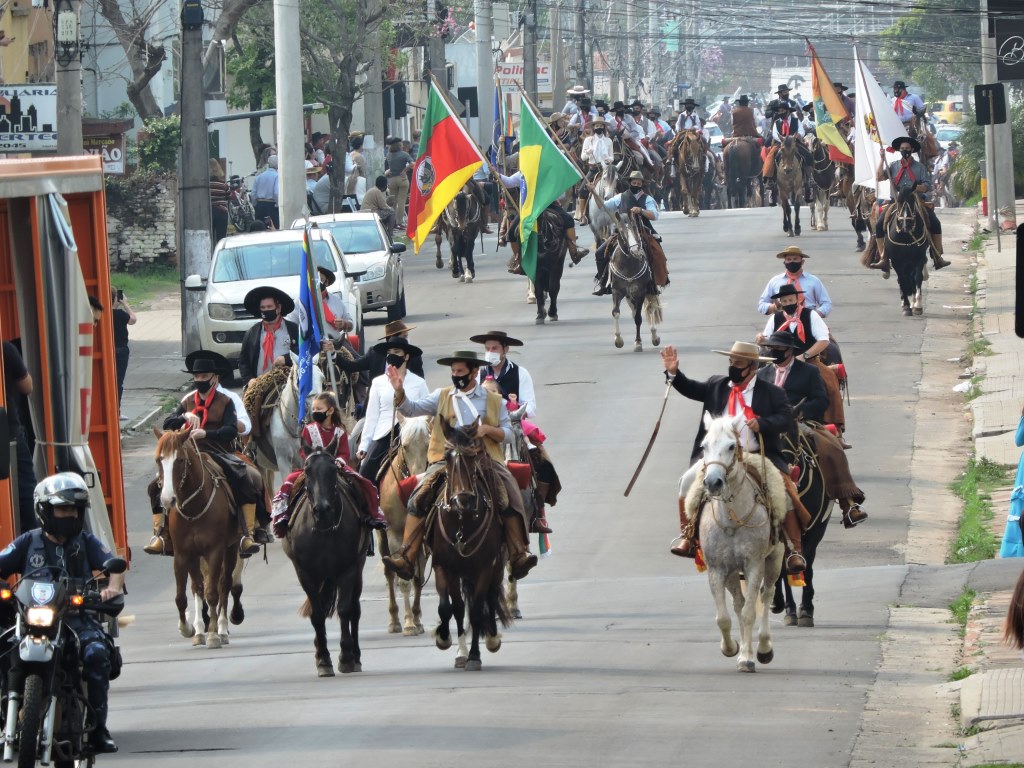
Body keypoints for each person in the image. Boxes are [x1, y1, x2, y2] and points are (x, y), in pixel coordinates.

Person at [380, 350, 539, 581]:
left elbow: (508, 434)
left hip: (484, 460)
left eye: (460, 371)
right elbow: (411, 409)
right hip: (447, 461)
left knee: (509, 494)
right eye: (453, 371)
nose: (456, 375)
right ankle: (407, 555)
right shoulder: (442, 396)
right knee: (417, 496)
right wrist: (399, 391)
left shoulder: (493, 400)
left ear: (474, 371)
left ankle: (518, 553)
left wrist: (487, 430)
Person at [0, 473, 125, 754]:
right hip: (32, 620)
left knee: (96, 653)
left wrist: (112, 588)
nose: (69, 515)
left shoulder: (86, 541)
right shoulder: (26, 542)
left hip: (76, 619)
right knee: (3, 647)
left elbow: (114, 565)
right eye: (63, 508)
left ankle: (98, 729)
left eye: (74, 510)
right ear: (45, 510)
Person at [660, 341, 808, 574]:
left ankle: (793, 550)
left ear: (752, 366)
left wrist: (763, 423)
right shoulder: (716, 385)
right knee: (686, 482)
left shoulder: (772, 392)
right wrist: (673, 373)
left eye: (738, 363)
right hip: (719, 457)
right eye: (731, 362)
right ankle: (688, 536)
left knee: (785, 491)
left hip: (757, 455)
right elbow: (690, 388)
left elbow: (786, 419)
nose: (733, 366)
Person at [145, 350, 255, 556]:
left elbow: (231, 429)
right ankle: (160, 534)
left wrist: (206, 433)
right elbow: (168, 423)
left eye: (204, 377)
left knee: (244, 476)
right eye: (196, 377)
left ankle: (246, 532)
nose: (200, 380)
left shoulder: (226, 400)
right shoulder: (187, 400)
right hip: (188, 454)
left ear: (215, 378)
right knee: (155, 486)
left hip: (219, 451)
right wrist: (184, 415)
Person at [757, 331, 867, 528]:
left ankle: (848, 503)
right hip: (767, 423)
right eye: (771, 348)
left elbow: (821, 400)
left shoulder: (808, 372)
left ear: (790, 350)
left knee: (831, 446)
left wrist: (799, 411)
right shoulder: (761, 374)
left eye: (779, 348)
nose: (775, 351)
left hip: (801, 421)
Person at [470, 330, 556, 533]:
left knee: (544, 464)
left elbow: (531, 408)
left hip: (513, 426)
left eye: (495, 348)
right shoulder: (477, 373)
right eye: (487, 348)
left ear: (505, 349)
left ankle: (537, 513)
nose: (490, 352)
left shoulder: (521, 373)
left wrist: (506, 403)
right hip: (482, 428)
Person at [271, 392, 386, 537]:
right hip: (314, 467)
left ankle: (369, 515)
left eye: (319, 409)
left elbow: (344, 452)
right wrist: (312, 459)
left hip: (335, 466)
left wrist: (339, 461)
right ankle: (284, 517)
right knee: (288, 483)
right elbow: (303, 450)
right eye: (313, 410)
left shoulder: (340, 432)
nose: (315, 412)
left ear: (330, 410)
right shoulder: (309, 429)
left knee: (362, 483)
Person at [756, 283, 848, 440]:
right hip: (780, 360)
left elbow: (824, 340)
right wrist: (760, 339)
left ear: (797, 299)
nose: (787, 304)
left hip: (808, 359)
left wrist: (804, 356)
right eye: (783, 302)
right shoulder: (775, 318)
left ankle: (835, 428)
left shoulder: (810, 315)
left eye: (790, 300)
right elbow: (767, 339)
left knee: (829, 382)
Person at [357, 338, 430, 486]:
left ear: (406, 356)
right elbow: (371, 417)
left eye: (396, 352)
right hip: (385, 434)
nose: (392, 355)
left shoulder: (419, 383)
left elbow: (427, 413)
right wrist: (364, 445)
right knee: (364, 474)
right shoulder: (378, 383)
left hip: (413, 434)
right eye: (389, 353)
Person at [875, 136, 951, 272]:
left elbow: (927, 186)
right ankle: (883, 258)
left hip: (916, 200)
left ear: (912, 150)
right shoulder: (893, 166)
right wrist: (881, 158)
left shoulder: (920, 167)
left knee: (935, 222)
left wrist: (916, 188)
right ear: (899, 150)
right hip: (897, 201)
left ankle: (937, 256)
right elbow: (879, 177)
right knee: (879, 224)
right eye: (902, 149)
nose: (905, 151)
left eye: (907, 149)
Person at [493, 165, 589, 264]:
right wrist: (496, 174)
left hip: (550, 205)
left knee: (568, 220)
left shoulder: (549, 172)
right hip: (530, 209)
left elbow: (562, 195)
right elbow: (509, 182)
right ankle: (519, 260)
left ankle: (574, 253)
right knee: (512, 232)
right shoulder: (523, 173)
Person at [592, 171, 667, 296]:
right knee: (600, 253)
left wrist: (641, 210)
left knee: (656, 254)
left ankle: (653, 284)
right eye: (634, 182)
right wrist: (593, 192)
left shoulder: (648, 199)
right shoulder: (621, 197)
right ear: (630, 183)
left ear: (642, 184)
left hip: (642, 231)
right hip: (623, 231)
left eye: (638, 183)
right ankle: (603, 283)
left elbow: (654, 216)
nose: (636, 185)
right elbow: (602, 206)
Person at [2, 340, 35, 534]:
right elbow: (27, 386)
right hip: (10, 431)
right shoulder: (5, 348)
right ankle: (33, 540)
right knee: (25, 489)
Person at [238, 286, 299, 388]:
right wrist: (249, 379)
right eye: (263, 308)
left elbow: (304, 351)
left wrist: (286, 358)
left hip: (288, 383)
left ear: (278, 308)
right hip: (260, 384)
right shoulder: (252, 333)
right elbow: (243, 361)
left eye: (269, 307)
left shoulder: (293, 329)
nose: (266, 310)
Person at [757, 245, 833, 317]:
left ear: (802, 262)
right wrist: (775, 307)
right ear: (784, 263)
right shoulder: (775, 281)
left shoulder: (813, 281)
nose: (792, 262)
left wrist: (814, 316)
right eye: (789, 259)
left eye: (795, 259)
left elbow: (827, 304)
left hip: (808, 321)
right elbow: (761, 305)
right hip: (782, 322)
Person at [109, 288, 136, 411]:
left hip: (108, 351)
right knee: (118, 382)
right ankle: (116, 411)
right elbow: (133, 320)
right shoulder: (119, 314)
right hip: (120, 351)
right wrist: (125, 303)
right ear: (115, 299)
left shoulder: (103, 313)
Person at [384, 138, 413, 229]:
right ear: (399, 145)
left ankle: (392, 221)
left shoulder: (388, 155)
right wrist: (405, 170)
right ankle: (399, 222)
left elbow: (389, 167)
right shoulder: (404, 154)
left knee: (393, 202)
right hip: (402, 179)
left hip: (392, 179)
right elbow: (412, 164)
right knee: (401, 202)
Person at [251, 154, 280, 229]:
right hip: (271, 206)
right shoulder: (277, 176)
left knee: (259, 229)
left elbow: (253, 193)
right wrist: (278, 204)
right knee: (272, 229)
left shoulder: (259, 176)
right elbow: (276, 192)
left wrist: (255, 205)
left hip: (260, 205)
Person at [346, 134, 368, 212]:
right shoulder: (360, 157)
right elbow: (363, 171)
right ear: (361, 145)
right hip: (358, 180)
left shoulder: (351, 154)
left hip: (350, 180)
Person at [209, 158, 229, 243]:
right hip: (222, 212)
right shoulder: (223, 184)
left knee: (209, 236)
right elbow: (228, 197)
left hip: (209, 212)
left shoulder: (206, 185)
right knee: (221, 238)